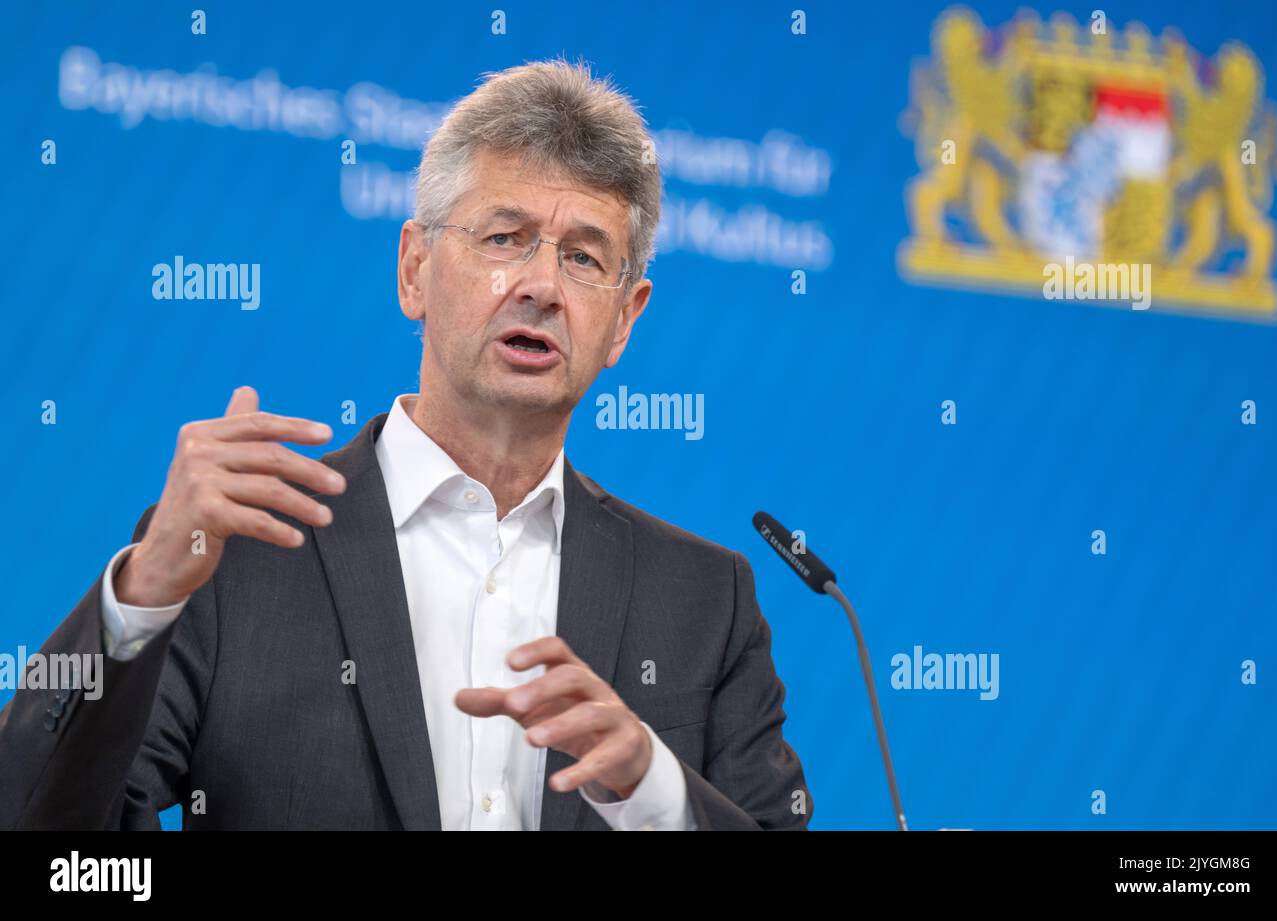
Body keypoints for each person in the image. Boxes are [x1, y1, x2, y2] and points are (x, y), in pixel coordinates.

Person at [0, 59, 811, 831]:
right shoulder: (240, 548)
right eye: (504, 238)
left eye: (582, 257)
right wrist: (140, 596)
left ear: (625, 320)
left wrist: (652, 791)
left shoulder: (706, 602)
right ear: (415, 269)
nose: (541, 285)